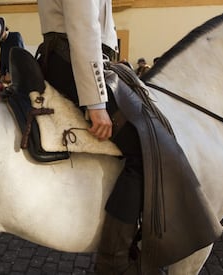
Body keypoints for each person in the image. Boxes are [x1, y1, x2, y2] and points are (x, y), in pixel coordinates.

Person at [36, 1, 158, 274]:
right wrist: (96, 103)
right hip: (75, 61)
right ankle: (113, 262)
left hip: (75, 58)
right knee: (143, 149)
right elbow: (84, 28)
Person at [0, 17, 24, 83]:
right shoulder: (2, 42)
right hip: (8, 77)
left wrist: (12, 74)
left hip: (18, 76)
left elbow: (20, 59)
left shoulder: (16, 37)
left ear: (3, 31)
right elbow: (3, 57)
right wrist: (2, 74)